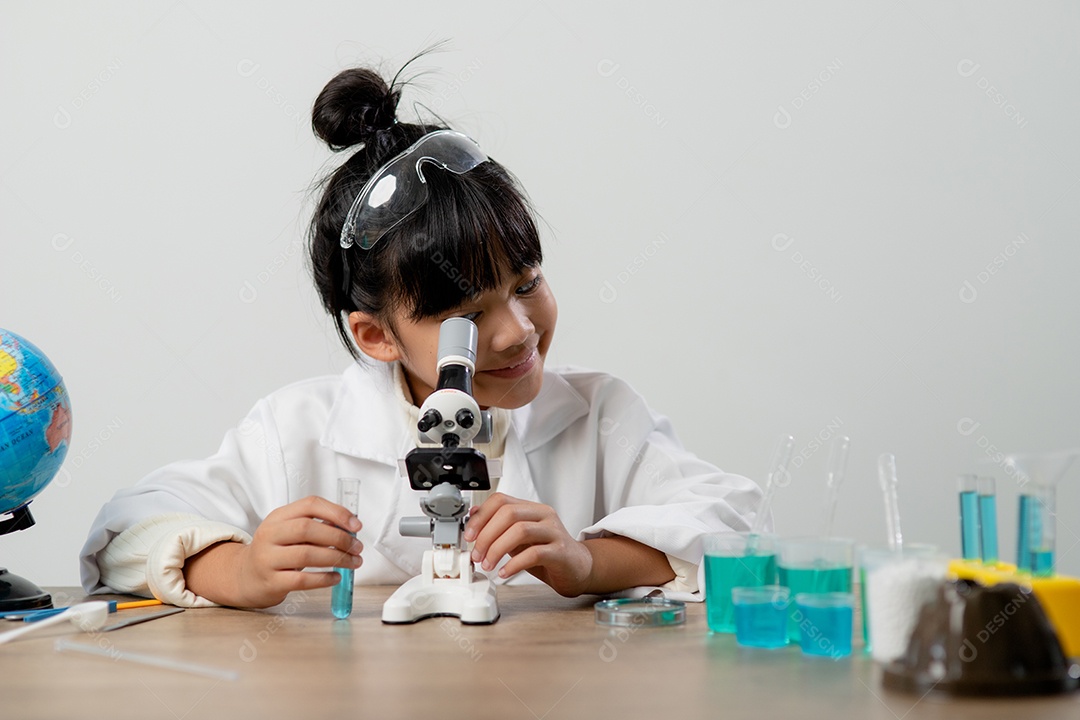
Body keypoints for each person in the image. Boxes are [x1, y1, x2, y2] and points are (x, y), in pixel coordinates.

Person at [80, 64, 765, 609]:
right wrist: (241, 570)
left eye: (525, 283)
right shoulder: (298, 433)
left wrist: (588, 563)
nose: (518, 331)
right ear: (377, 336)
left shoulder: (602, 415)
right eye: (469, 313)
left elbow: (738, 528)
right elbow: (124, 530)